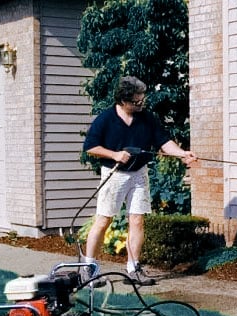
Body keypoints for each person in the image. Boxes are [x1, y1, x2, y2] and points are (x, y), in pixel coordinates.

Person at [82, 76, 196, 285]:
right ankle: (88, 268)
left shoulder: (147, 118)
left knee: (137, 220)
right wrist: (115, 155)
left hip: (139, 174)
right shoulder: (105, 119)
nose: (141, 104)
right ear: (123, 101)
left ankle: (133, 269)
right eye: (136, 101)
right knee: (104, 220)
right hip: (114, 174)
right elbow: (90, 147)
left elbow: (165, 142)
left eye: (142, 99)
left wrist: (182, 154)